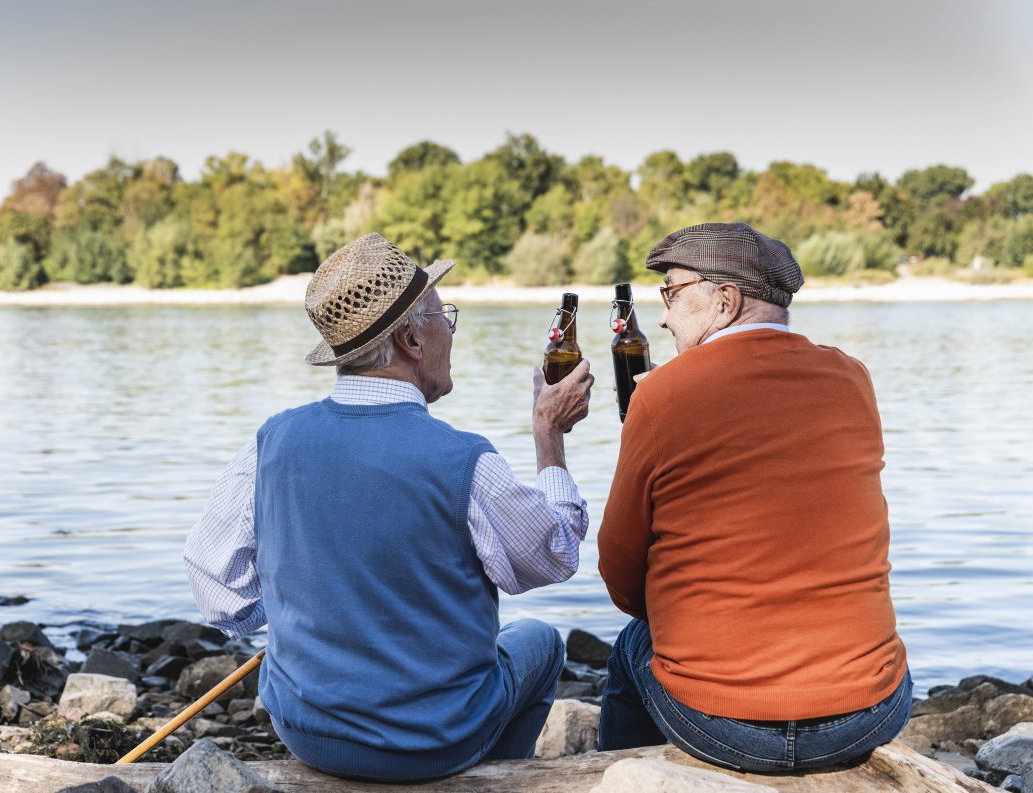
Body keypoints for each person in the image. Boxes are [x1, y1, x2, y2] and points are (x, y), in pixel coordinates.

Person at [185, 232, 595, 781]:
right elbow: (554, 554)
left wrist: (300, 610)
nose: (451, 329)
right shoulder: (464, 459)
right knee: (539, 641)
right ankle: (487, 780)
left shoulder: (271, 442)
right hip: (430, 742)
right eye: (444, 316)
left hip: (307, 729)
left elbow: (217, 593)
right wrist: (549, 434)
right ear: (412, 340)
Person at [596, 222, 911, 772]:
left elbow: (620, 571)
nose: (664, 315)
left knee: (631, 644)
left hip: (721, 723)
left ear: (725, 300)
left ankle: (627, 779)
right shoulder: (853, 378)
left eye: (671, 292)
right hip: (866, 714)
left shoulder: (664, 392)